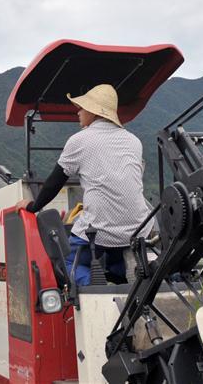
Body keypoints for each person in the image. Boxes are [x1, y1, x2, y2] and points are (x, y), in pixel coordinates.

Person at [18, 84, 154, 286]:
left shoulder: (79, 140)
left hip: (100, 228)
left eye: (82, 107)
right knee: (115, 255)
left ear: (93, 111)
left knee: (67, 262)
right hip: (138, 227)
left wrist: (32, 206)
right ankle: (123, 279)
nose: (78, 111)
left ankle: (97, 285)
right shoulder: (134, 141)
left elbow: (54, 183)